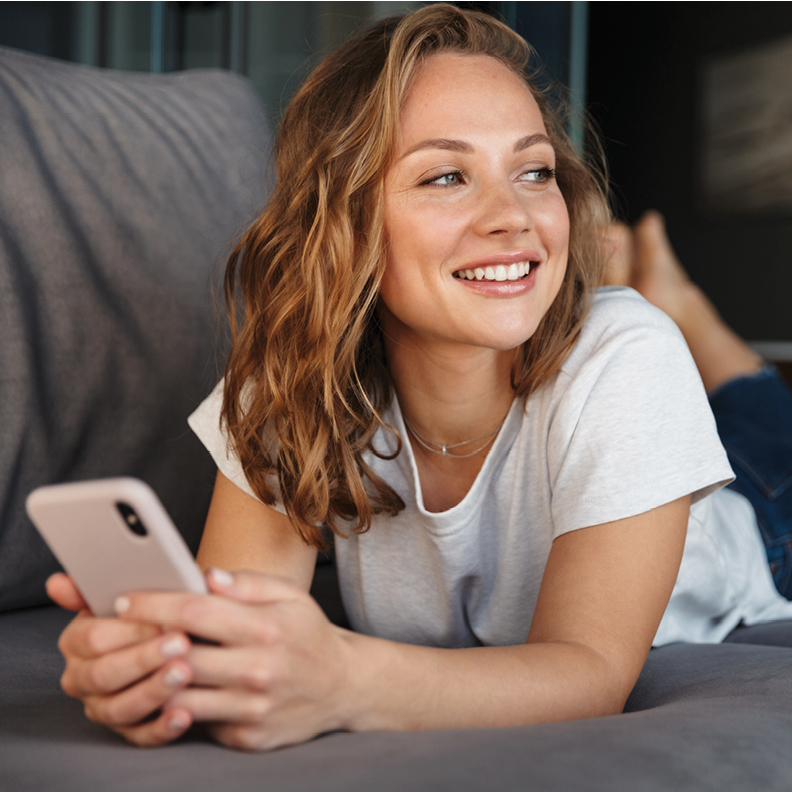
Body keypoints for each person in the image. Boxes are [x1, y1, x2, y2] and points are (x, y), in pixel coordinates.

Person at [43, 4, 792, 751]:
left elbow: (591, 672)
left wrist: (345, 678)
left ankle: (687, 309)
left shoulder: (627, 355)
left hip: (759, 537)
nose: (515, 217)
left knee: (769, 452)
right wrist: (158, 672)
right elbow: (241, 615)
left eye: (534, 170)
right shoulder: (289, 384)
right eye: (446, 176)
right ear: (346, 222)